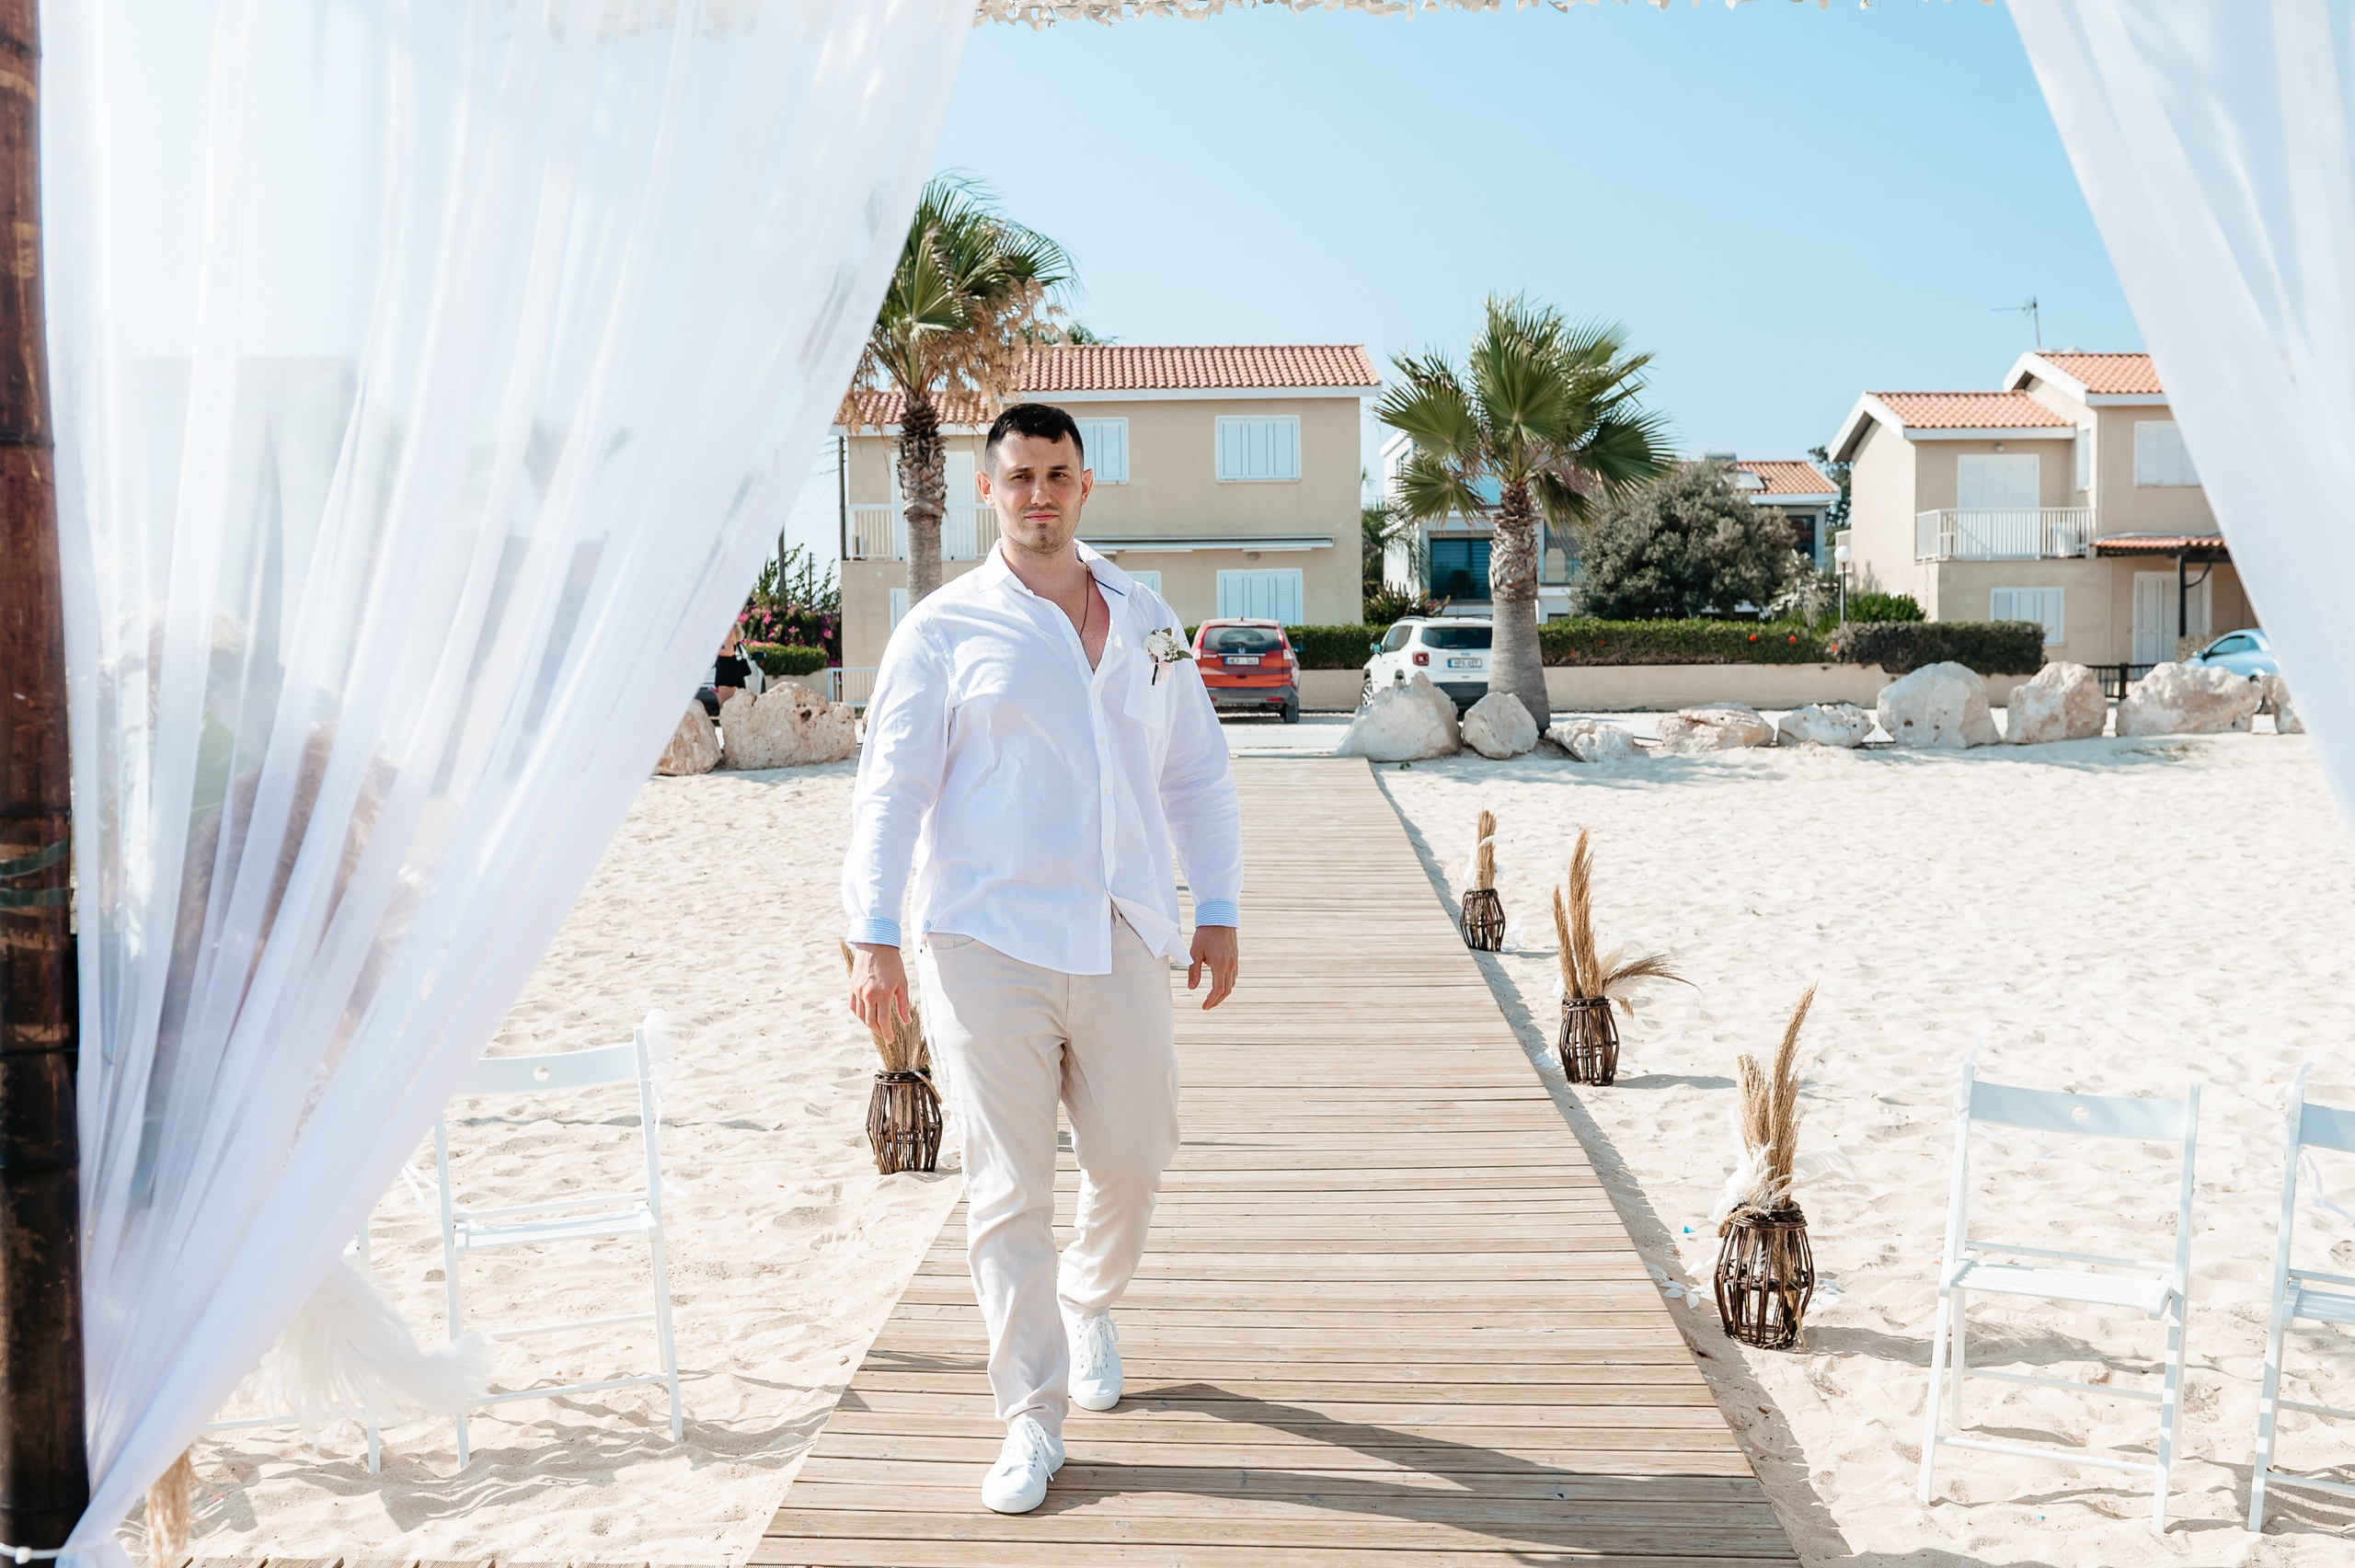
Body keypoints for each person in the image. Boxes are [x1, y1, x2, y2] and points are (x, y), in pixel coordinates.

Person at [843, 402, 1242, 1516]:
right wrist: (873, 934)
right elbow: (890, 790)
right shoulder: (941, 630)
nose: (1038, 495)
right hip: (984, 941)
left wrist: (1216, 905)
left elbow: (1195, 770)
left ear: (1084, 485)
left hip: (1121, 929)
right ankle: (1030, 1416)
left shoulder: (1148, 617)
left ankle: (1089, 1295)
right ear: (987, 489)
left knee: (1136, 1153)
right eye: (1017, 476)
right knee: (1008, 1188)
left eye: (1056, 475)